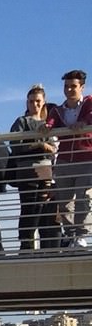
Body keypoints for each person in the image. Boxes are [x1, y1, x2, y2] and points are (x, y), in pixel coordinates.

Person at [10, 85, 61, 252]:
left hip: (46, 170)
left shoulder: (49, 123)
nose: (35, 105)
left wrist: (43, 146)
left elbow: (55, 147)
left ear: (44, 102)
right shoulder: (22, 121)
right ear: (27, 102)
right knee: (29, 206)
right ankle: (26, 244)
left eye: (38, 101)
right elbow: (15, 145)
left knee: (45, 207)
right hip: (27, 170)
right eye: (31, 101)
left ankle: (49, 246)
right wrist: (39, 145)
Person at [54, 70, 92, 245]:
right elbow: (52, 120)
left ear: (82, 87)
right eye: (66, 86)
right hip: (64, 160)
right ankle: (70, 236)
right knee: (64, 201)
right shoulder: (58, 109)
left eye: (73, 86)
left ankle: (81, 235)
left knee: (84, 196)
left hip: (85, 158)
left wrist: (84, 122)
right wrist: (47, 126)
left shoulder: (89, 103)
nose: (69, 90)